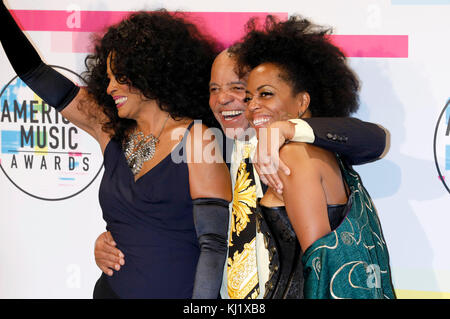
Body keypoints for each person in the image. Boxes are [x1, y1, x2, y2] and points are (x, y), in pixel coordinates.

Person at [95, 42, 390, 298]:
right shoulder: (209, 145)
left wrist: (287, 129)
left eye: (239, 90)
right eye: (214, 89)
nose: (223, 99)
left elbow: (375, 140)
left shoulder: (295, 149)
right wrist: (108, 241)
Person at [0, 2, 232, 299]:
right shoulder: (109, 128)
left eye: (117, 76)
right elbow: (35, 72)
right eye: (107, 78)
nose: (109, 88)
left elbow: (214, 245)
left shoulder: (198, 138)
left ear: (147, 71)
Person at [233, 15, 395, 298]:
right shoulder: (321, 152)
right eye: (248, 98)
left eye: (265, 94)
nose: (253, 106)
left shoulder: (294, 155)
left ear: (302, 102)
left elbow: (320, 268)